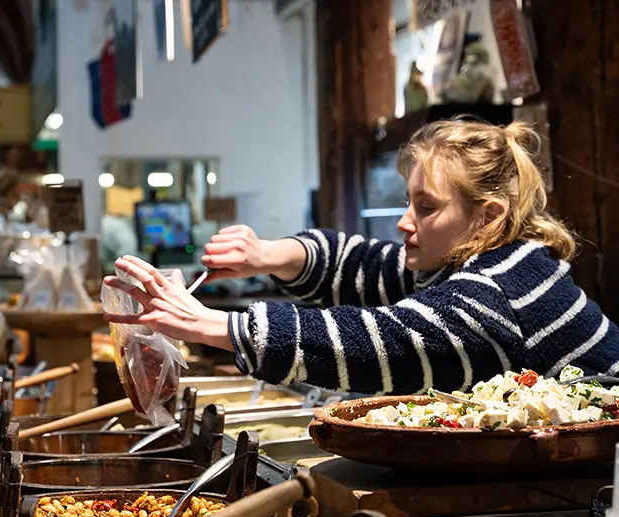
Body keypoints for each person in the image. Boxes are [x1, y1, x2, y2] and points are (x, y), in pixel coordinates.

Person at [103, 119, 619, 394]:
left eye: (426, 208)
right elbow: (369, 265)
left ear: (487, 216)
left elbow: (380, 341)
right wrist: (269, 254)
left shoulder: (496, 293)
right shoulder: (479, 262)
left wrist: (217, 325)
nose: (404, 222)